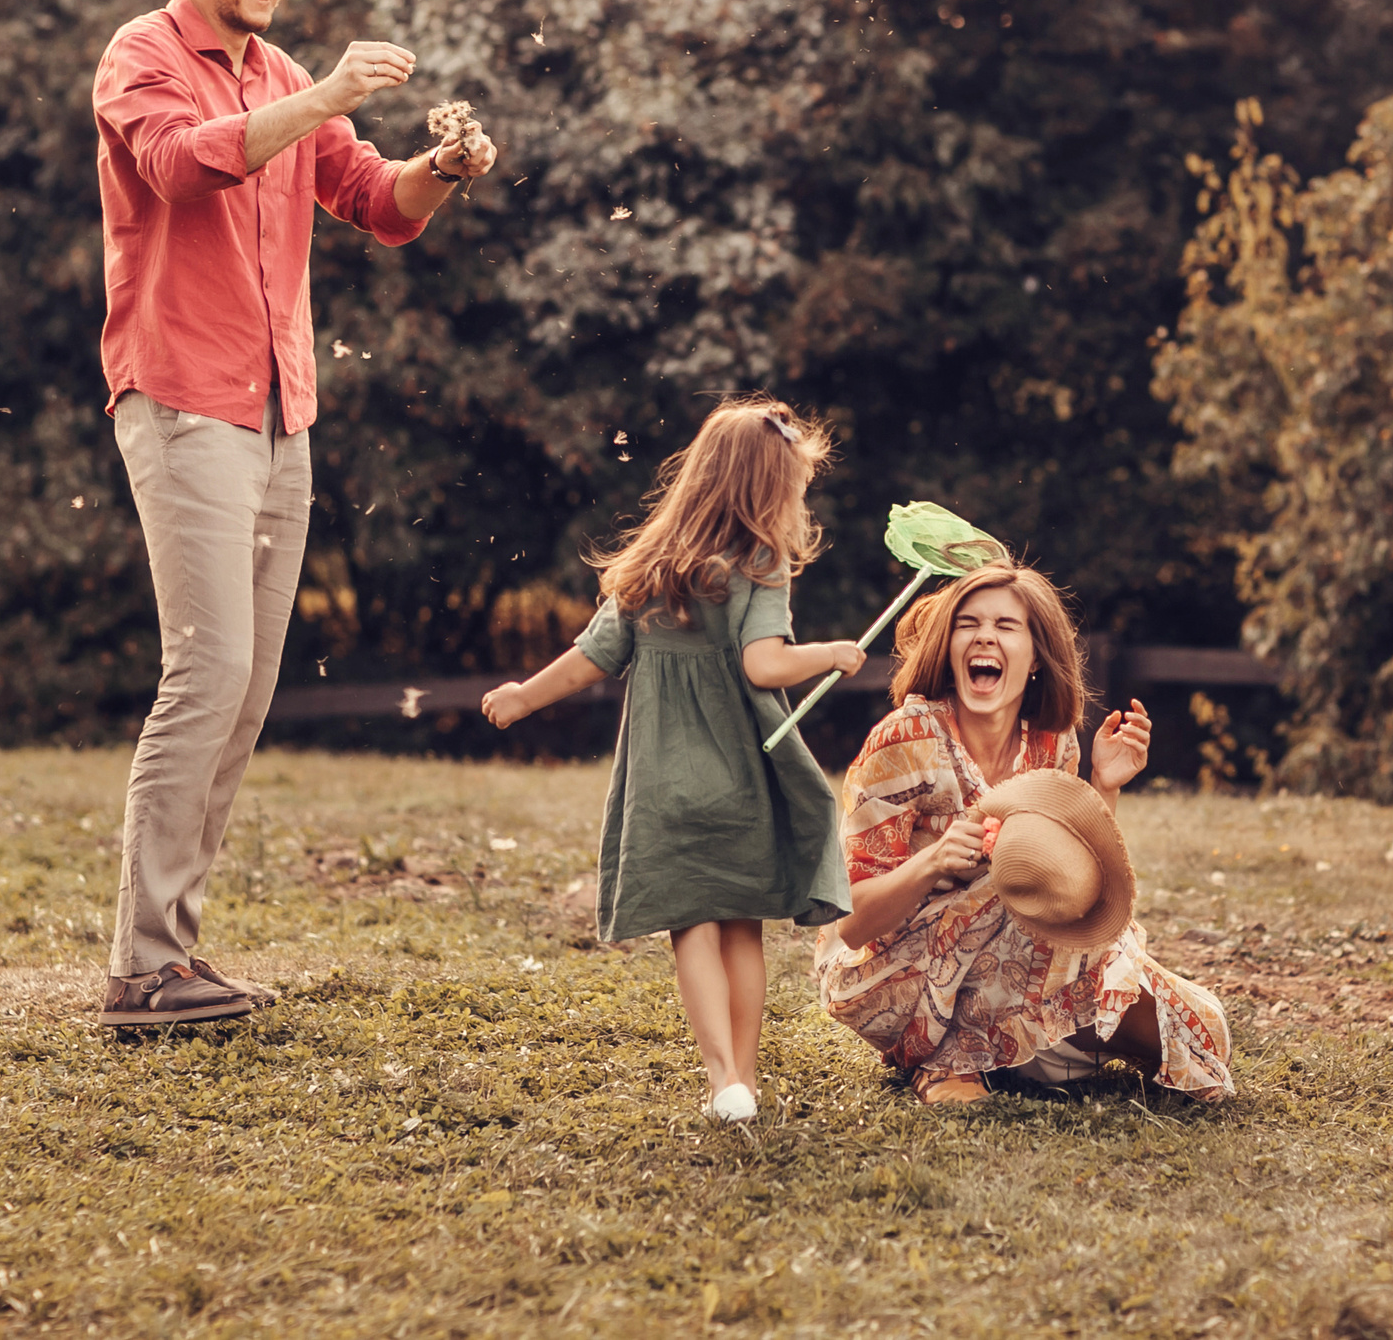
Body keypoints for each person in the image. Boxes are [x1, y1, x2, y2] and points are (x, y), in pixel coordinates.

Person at [92, 0, 497, 1028]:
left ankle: (172, 957)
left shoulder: (277, 74)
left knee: (251, 684)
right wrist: (324, 96)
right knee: (206, 672)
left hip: (281, 408)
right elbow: (178, 165)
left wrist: (440, 172)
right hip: (180, 394)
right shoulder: (144, 56)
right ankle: (140, 968)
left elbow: (373, 203)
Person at [480, 399, 860, 1121]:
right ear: (766, 490)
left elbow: (590, 658)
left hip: (666, 781)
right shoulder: (760, 565)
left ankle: (724, 1080)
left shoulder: (652, 570)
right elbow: (763, 664)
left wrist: (524, 697)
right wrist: (831, 654)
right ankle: (745, 1076)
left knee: (694, 926)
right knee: (743, 925)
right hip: (743, 776)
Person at [814, 561, 1235, 1103]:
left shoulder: (1052, 743)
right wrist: (934, 862)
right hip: (892, 969)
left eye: (1006, 626)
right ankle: (945, 1063)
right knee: (1006, 885)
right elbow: (849, 925)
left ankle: (1014, 1053)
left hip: (1020, 952)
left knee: (1202, 1028)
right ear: (947, 646)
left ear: (1035, 658)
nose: (985, 636)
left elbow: (1066, 881)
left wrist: (1103, 787)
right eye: (968, 623)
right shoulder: (907, 740)